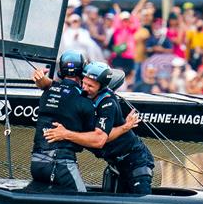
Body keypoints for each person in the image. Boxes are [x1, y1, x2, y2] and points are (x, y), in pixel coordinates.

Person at [44, 62, 155, 194]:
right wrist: (41, 80)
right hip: (116, 163)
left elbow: (99, 140)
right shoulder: (82, 92)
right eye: (84, 83)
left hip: (136, 160)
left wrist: (65, 134)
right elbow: (58, 88)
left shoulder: (108, 103)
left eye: (91, 86)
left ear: (101, 86)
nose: (85, 88)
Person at [30, 50, 96, 192]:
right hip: (60, 164)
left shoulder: (47, 91)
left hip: (36, 163)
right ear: (82, 72)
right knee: (83, 202)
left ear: (61, 70)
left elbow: (49, 85)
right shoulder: (85, 101)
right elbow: (94, 139)